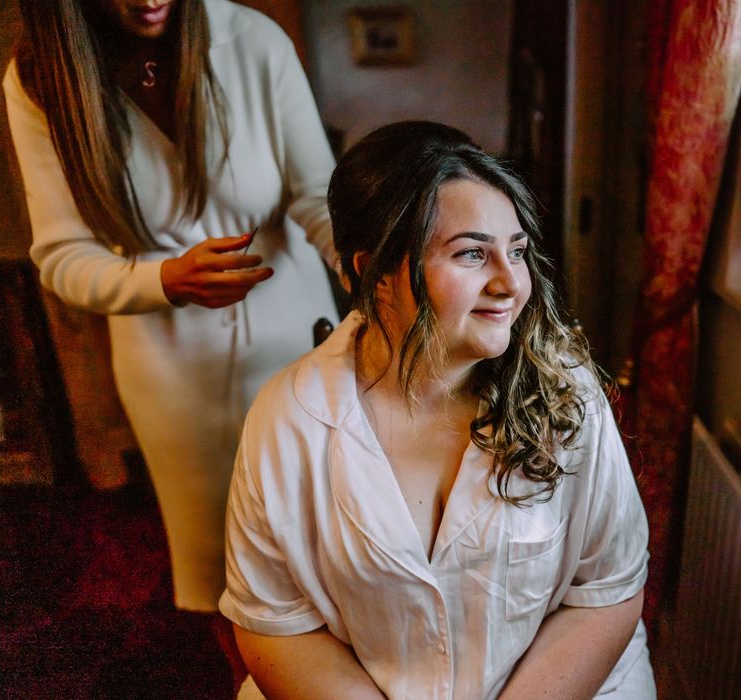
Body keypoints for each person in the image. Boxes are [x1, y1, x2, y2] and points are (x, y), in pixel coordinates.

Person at [219, 121, 656, 698]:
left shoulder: (568, 394)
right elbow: (276, 625)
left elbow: (607, 590)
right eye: (472, 253)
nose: (510, 284)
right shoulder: (286, 421)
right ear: (370, 271)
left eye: (517, 252)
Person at [3, 0, 338, 616]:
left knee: (329, 549)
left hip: (301, 342)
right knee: (224, 580)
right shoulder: (38, 80)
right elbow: (61, 256)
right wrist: (164, 281)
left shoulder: (255, 40)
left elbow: (317, 193)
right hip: (172, 374)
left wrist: (363, 259)